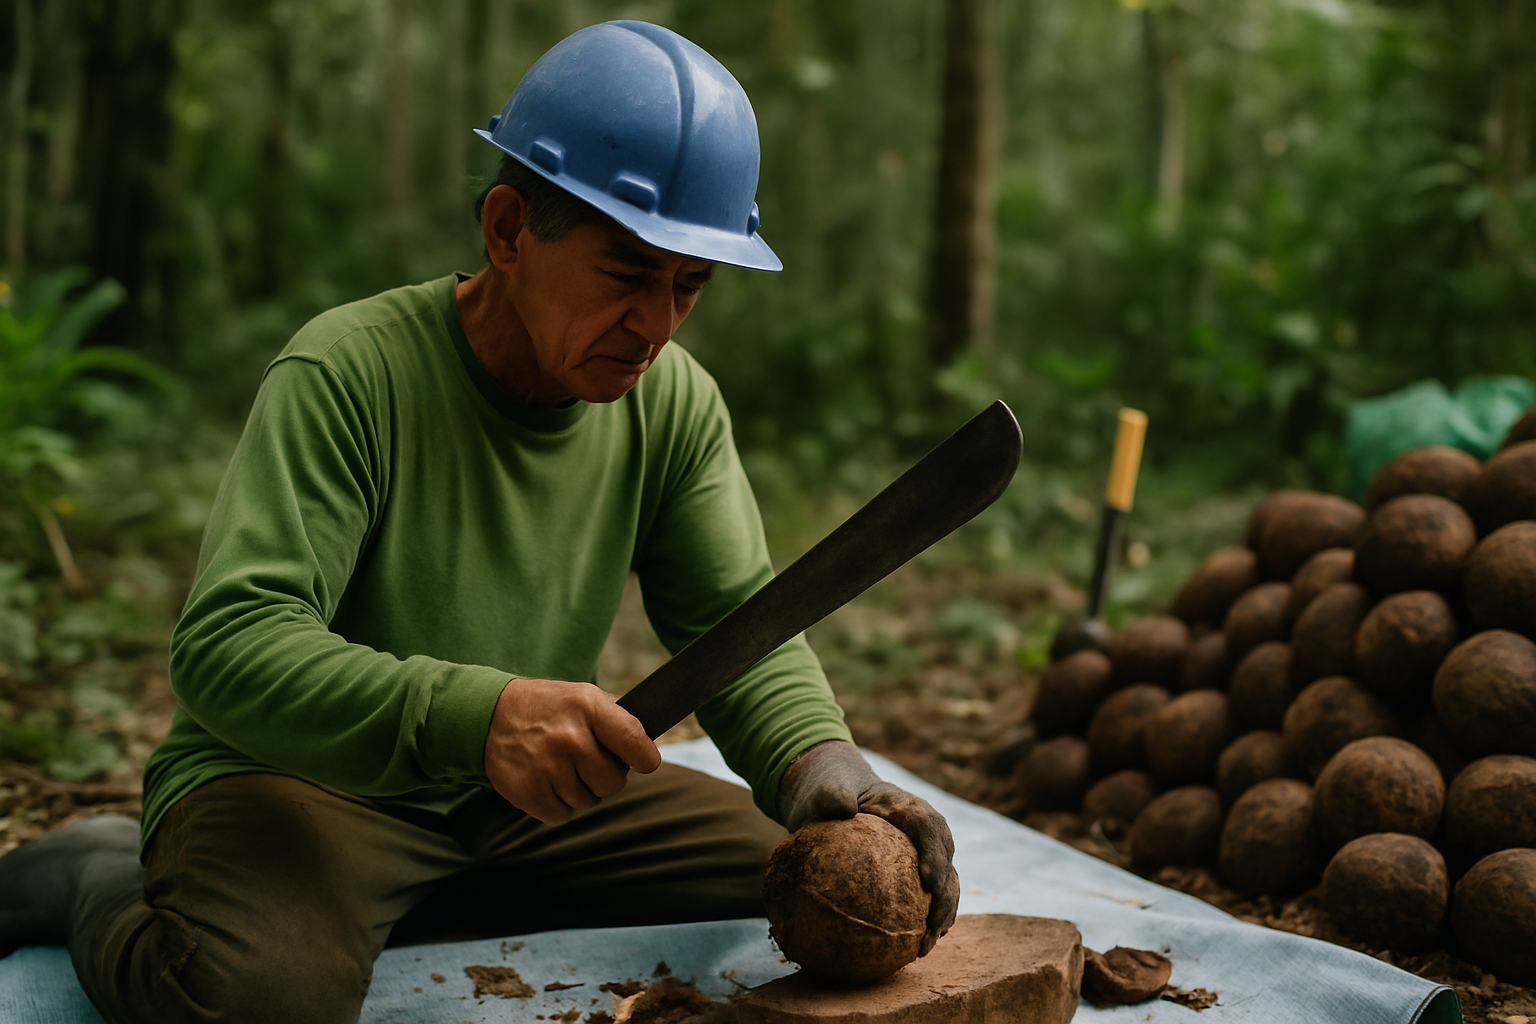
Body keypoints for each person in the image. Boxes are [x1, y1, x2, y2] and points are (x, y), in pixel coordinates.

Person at [0, 20, 958, 1023]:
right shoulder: (349, 372)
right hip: (302, 785)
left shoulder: (673, 403)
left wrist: (826, 771)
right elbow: (227, 647)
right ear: (507, 231)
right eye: (628, 275)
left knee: (809, 872)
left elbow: (737, 627)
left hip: (524, 812)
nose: (659, 326)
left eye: (691, 284)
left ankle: (397, 902)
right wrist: (484, 715)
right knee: (252, 1000)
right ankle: (95, 874)